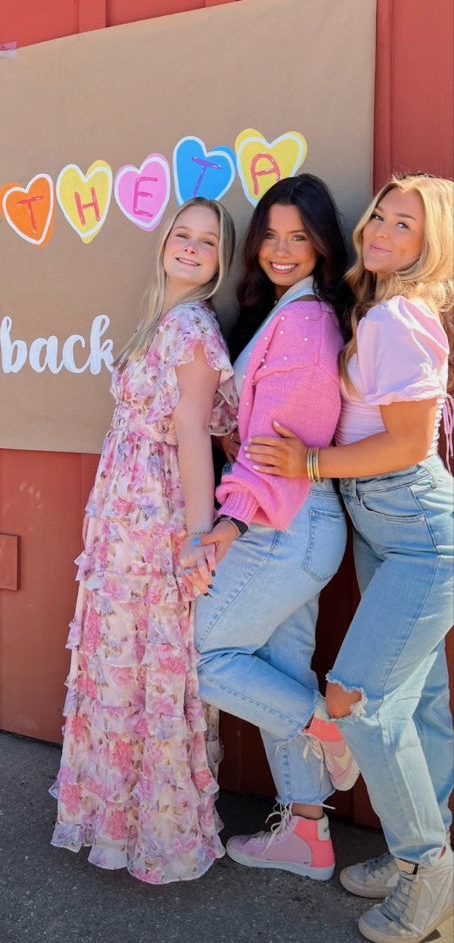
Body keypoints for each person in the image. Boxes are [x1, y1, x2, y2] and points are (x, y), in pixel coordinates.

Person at [245, 173, 454, 943]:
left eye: (407, 225)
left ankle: (430, 875)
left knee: (358, 702)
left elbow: (405, 440)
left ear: (429, 246)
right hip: (385, 526)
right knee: (418, 702)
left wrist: (308, 465)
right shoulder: (373, 306)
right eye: (381, 216)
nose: (384, 232)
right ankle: (418, 867)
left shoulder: (401, 314)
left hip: (415, 527)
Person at [51, 195, 238, 884]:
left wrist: (196, 538)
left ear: (221, 261)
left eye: (207, 242)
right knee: (121, 662)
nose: (190, 247)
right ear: (164, 242)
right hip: (123, 518)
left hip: (154, 520)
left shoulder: (190, 327)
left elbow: (194, 432)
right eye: (182, 234)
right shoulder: (161, 319)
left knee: (147, 664)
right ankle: (118, 821)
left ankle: (155, 829)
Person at [182, 173, 357, 882]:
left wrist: (229, 523)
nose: (283, 251)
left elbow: (284, 442)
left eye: (300, 238)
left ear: (321, 244)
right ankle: (308, 833)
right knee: (277, 671)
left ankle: (328, 725)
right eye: (272, 237)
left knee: (198, 657)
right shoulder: (288, 308)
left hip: (287, 526)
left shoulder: (308, 320)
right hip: (292, 525)